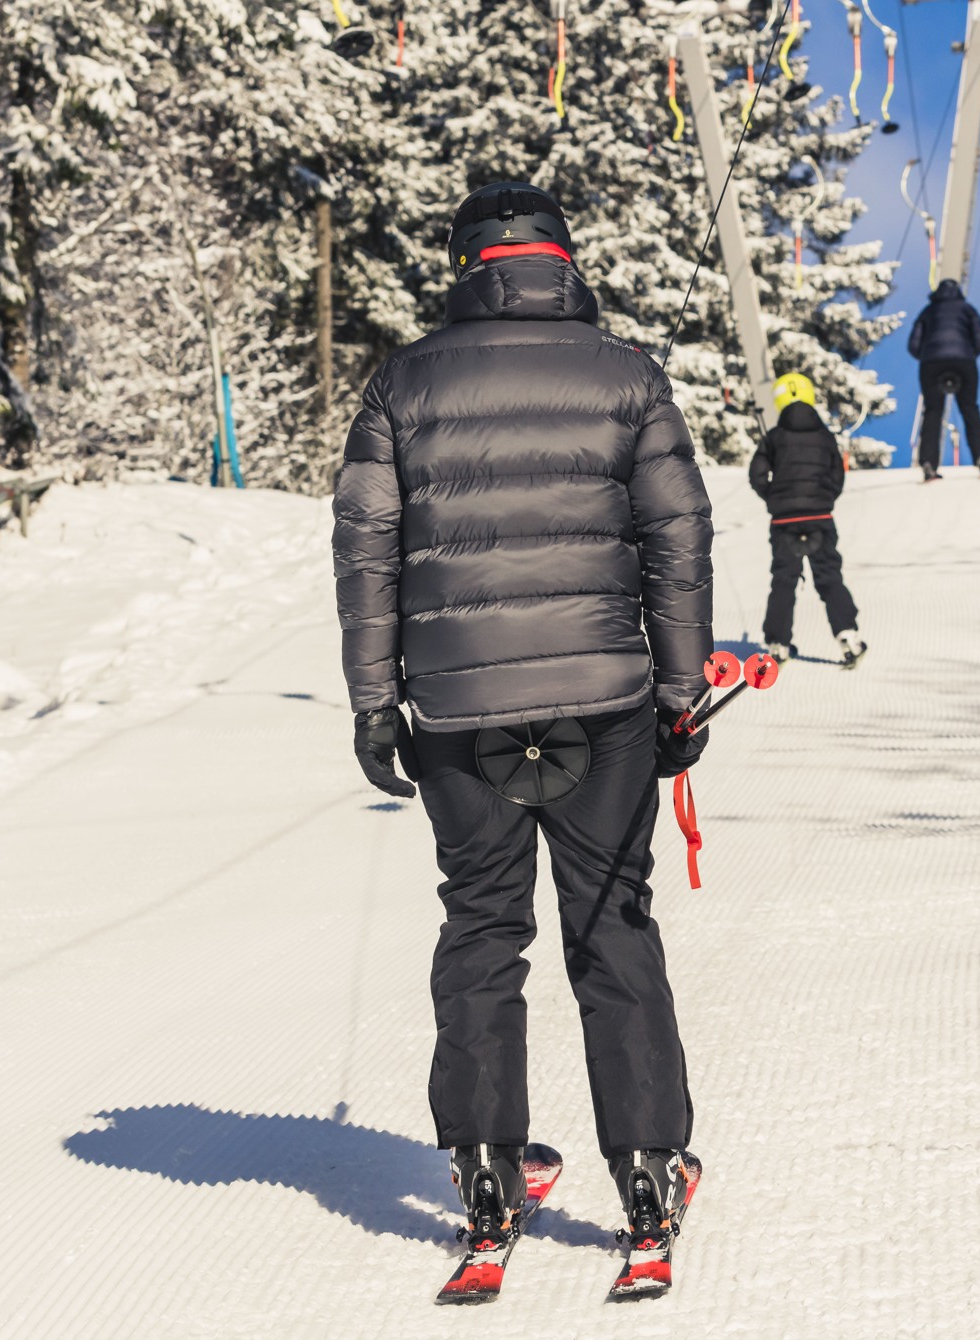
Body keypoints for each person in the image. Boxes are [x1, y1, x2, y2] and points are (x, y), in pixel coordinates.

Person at [331, 181, 711, 1265]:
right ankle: (646, 1167)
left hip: (460, 714)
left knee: (484, 926)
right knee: (610, 920)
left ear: (465, 268)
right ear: (563, 262)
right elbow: (680, 536)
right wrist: (679, 691)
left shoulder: (401, 383)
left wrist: (373, 700)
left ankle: (488, 1169)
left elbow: (364, 546)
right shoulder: (627, 375)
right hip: (603, 705)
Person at [748, 373, 866, 667]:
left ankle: (777, 645)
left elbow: (757, 475)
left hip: (783, 522)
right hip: (820, 517)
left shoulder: (774, 437)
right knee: (828, 576)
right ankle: (847, 637)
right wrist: (823, 499)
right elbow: (837, 476)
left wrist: (775, 500)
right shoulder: (825, 437)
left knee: (784, 580)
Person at [906, 277, 980, 481]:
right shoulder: (967, 309)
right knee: (969, 408)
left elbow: (913, 344)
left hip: (931, 363)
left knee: (933, 411)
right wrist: (969, 353)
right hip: (964, 361)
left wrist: (926, 356)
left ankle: (928, 462)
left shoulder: (927, 312)